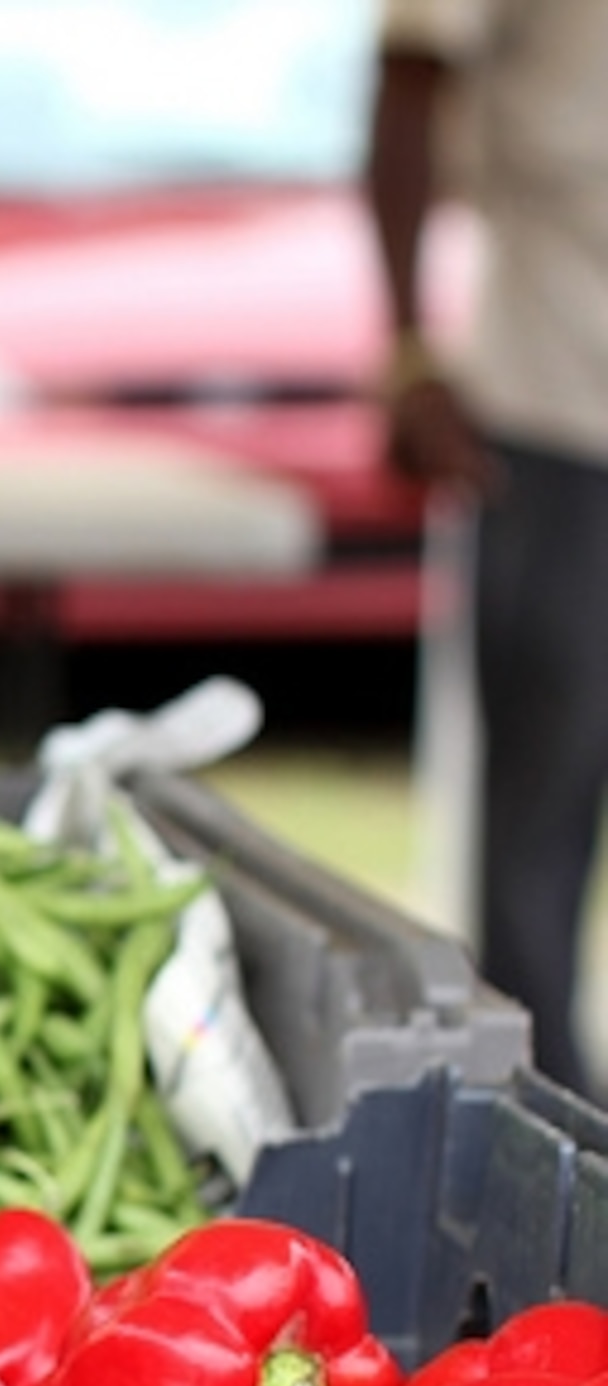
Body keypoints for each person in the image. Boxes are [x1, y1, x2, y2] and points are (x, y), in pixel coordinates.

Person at [368, 0, 608, 1099]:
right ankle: (542, 1165)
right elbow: (407, 86)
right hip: (556, 424)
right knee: (533, 867)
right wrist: (411, 355)